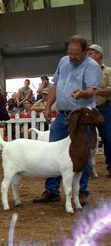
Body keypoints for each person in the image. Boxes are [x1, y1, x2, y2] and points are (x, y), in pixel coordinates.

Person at [33, 35, 101, 206]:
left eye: (76, 54)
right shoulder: (63, 61)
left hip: (81, 118)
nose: (72, 56)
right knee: (52, 153)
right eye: (70, 52)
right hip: (62, 115)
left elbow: (92, 91)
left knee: (80, 155)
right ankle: (52, 190)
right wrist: (48, 106)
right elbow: (55, 85)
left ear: (86, 52)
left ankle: (82, 192)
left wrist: (82, 93)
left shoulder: (92, 67)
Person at [87, 44, 111, 178]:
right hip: (88, 110)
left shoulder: (108, 71)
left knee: (109, 138)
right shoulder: (84, 71)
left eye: (91, 53)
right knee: (86, 140)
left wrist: (93, 90)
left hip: (104, 108)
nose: (88, 55)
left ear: (98, 55)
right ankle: (87, 170)